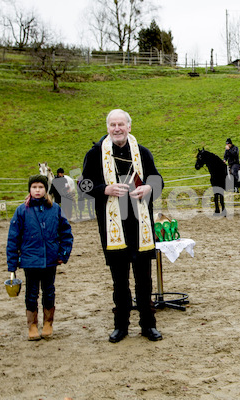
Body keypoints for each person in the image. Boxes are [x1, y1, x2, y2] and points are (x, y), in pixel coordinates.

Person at [82, 109, 164, 343]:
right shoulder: (96, 154)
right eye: (112, 125)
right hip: (113, 227)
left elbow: (157, 180)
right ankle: (121, 326)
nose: (117, 129)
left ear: (129, 126)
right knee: (119, 280)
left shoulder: (143, 153)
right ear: (107, 127)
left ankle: (148, 325)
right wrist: (104, 189)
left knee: (144, 279)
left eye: (121, 124)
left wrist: (149, 187)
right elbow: (85, 184)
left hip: (140, 225)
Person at [6, 175, 73, 341]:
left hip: (50, 259)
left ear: (46, 189)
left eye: (41, 187)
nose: (37, 190)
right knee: (31, 293)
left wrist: (63, 254)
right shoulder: (21, 211)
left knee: (49, 291)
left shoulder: (55, 209)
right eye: (34, 187)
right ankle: (33, 325)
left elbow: (66, 233)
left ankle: (48, 322)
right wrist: (12, 265)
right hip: (30, 260)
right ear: (29, 189)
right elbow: (13, 238)